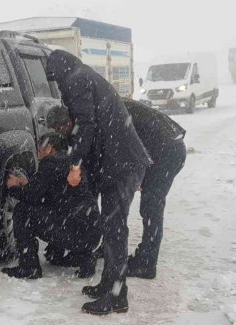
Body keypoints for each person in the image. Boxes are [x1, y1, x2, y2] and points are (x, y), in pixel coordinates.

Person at [45, 50, 153, 315]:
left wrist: (75, 164)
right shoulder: (85, 76)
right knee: (111, 225)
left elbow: (86, 126)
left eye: (55, 80)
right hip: (119, 162)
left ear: (59, 71)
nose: (57, 86)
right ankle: (109, 283)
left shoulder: (76, 80)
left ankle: (116, 296)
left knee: (115, 228)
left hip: (121, 163)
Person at [1, 132, 101, 280]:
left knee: (22, 210)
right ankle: (84, 258)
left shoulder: (50, 163)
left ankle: (29, 267)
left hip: (73, 231)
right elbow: (53, 194)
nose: (37, 151)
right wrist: (27, 185)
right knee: (64, 221)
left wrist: (14, 187)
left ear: (49, 148)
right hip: (91, 234)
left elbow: (32, 197)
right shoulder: (73, 163)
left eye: (40, 147)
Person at [123, 100, 186, 279]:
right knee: (150, 206)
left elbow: (129, 147)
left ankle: (147, 264)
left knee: (151, 207)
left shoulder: (114, 110)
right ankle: (145, 256)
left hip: (166, 151)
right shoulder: (118, 103)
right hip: (169, 147)